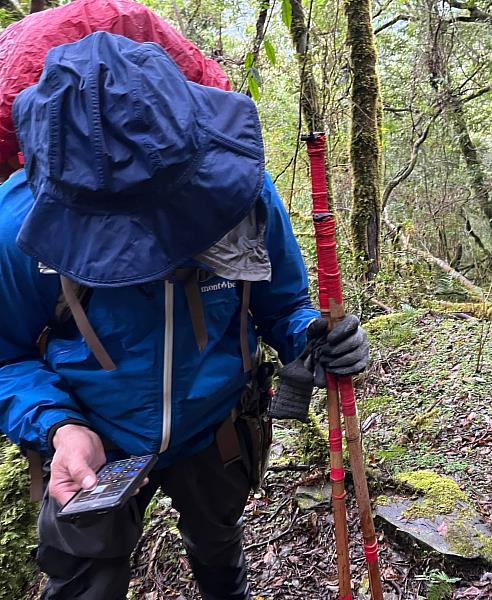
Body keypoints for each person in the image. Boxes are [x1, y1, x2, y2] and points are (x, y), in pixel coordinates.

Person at [0, 32, 367, 600]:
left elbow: (284, 305)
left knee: (218, 544)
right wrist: (59, 427)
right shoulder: (19, 227)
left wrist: (312, 337)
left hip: (215, 427)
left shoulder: (242, 194)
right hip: (90, 445)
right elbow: (6, 356)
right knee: (83, 584)